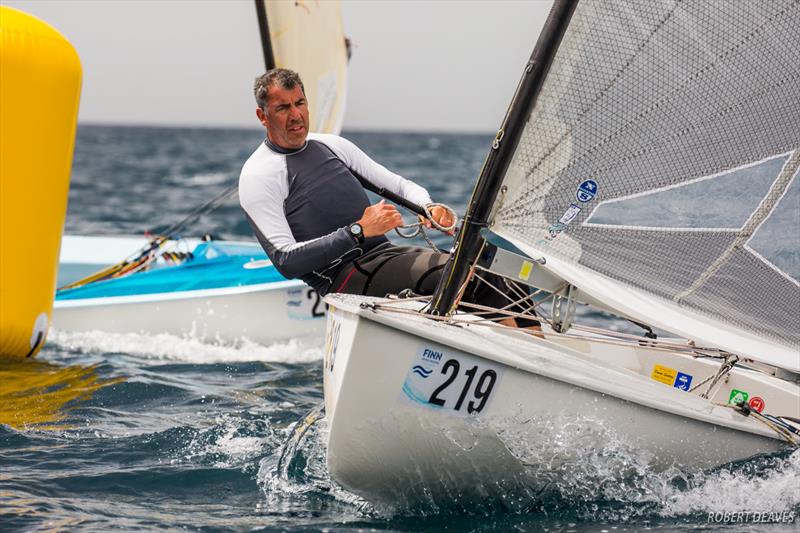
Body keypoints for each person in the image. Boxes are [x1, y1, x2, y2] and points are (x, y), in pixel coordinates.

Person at [239, 69, 539, 328]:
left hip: (385, 255)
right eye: (283, 108)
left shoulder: (331, 146)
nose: (296, 115)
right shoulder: (259, 175)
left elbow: (398, 185)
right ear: (262, 116)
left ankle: (544, 354)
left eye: (300, 103)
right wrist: (357, 232)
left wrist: (428, 206)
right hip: (342, 277)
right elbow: (285, 260)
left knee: (498, 273)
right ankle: (528, 368)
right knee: (469, 278)